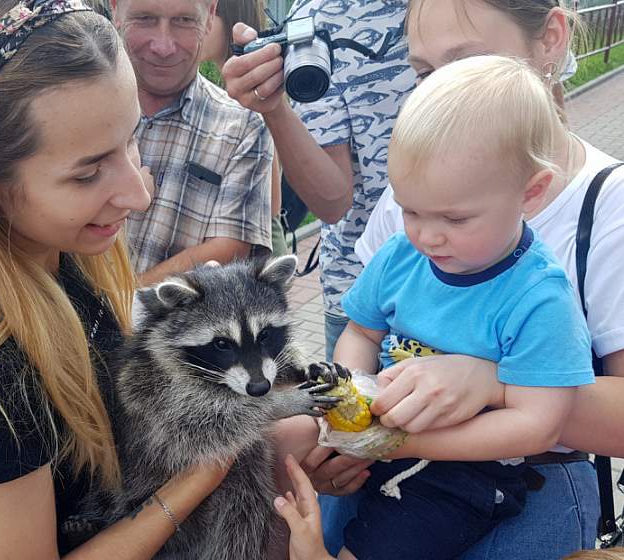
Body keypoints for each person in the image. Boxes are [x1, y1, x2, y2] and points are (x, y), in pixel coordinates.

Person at [0, 0, 231, 557]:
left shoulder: (55, 254)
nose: (139, 194)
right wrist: (195, 483)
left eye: (131, 138)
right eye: (88, 172)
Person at [318, 1, 622, 558]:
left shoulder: (599, 220)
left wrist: (491, 383)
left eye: (468, 64)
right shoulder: (417, 208)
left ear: (550, 38)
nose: (427, 236)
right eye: (424, 74)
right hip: (391, 456)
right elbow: (362, 330)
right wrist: (345, 415)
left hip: (518, 478)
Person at [222, 0, 415, 361]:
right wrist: (273, 106)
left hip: (496, 279)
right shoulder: (317, 17)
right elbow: (332, 202)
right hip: (365, 297)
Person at [110, 0, 274, 285]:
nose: (164, 46)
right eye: (146, 18)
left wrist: (119, 302)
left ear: (210, 16)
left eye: (184, 21)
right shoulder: (82, 105)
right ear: (115, 10)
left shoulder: (241, 126)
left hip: (166, 325)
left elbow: (230, 248)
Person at [200, 0, 289, 258]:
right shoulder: (234, 83)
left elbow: (271, 202)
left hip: (257, 252)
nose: (197, 26)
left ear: (229, 17)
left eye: (208, 14)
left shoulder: (253, 90)